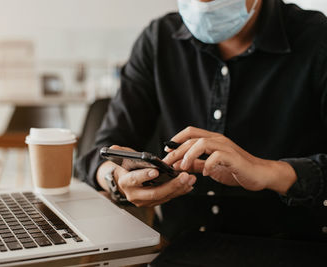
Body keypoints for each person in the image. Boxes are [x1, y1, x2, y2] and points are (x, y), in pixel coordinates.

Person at [76, 0, 327, 241]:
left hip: (289, 248)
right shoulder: (159, 39)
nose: (203, 5)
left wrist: (269, 172)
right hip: (178, 247)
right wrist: (116, 179)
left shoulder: (318, 39)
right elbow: (102, 149)